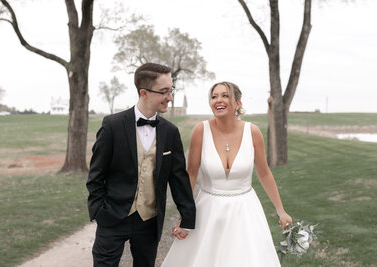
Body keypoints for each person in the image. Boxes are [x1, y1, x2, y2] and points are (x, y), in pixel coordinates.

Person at [162, 81, 292, 267]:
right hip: (208, 210)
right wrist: (185, 213)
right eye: (214, 96)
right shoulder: (201, 130)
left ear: (238, 103)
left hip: (245, 211)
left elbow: (264, 174)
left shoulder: (252, 132)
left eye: (225, 95)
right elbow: (191, 173)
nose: (218, 100)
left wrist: (281, 211)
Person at [86, 62, 196, 267]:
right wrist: (100, 211)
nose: (170, 98)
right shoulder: (112, 125)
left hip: (149, 220)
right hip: (112, 216)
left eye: (171, 91)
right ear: (144, 92)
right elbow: (96, 175)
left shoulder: (170, 132)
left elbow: (178, 177)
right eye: (164, 92)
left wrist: (187, 218)